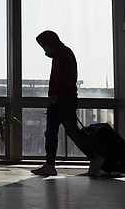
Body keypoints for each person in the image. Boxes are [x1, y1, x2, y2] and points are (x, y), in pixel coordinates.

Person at [31, 30, 103, 177]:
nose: (44, 49)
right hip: (59, 100)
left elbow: (65, 78)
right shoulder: (60, 55)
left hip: (63, 100)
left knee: (69, 132)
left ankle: (94, 158)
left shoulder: (63, 55)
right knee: (54, 133)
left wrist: (55, 95)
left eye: (44, 45)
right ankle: (50, 164)